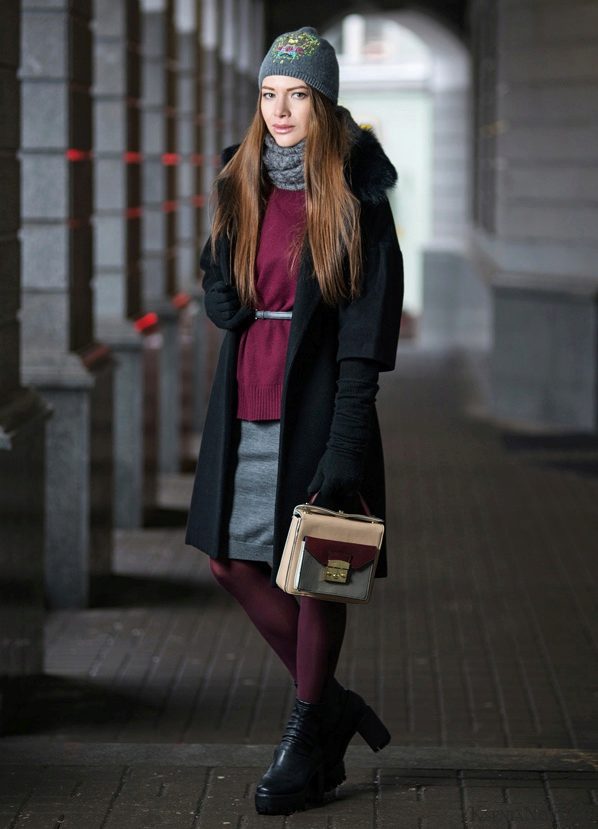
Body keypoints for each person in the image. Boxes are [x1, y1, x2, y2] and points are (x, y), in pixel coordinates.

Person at [185, 26, 404, 816]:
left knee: (319, 575)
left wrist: (347, 441)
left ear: (325, 103)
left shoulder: (356, 198)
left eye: (298, 95)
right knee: (231, 562)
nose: (279, 110)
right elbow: (219, 270)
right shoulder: (239, 180)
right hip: (246, 402)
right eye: (269, 94)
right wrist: (219, 289)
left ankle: (306, 731)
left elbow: (366, 337)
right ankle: (332, 707)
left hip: (318, 405)